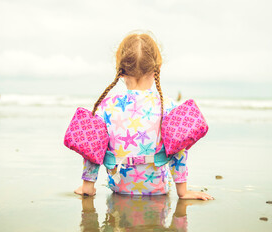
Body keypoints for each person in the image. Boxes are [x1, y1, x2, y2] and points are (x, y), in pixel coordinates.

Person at [74, 31, 213, 200]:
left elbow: (92, 148)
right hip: (158, 188)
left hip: (119, 187)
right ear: (157, 69)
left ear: (121, 71)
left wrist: (87, 186)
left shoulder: (107, 106)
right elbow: (179, 150)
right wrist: (183, 192)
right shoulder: (167, 106)